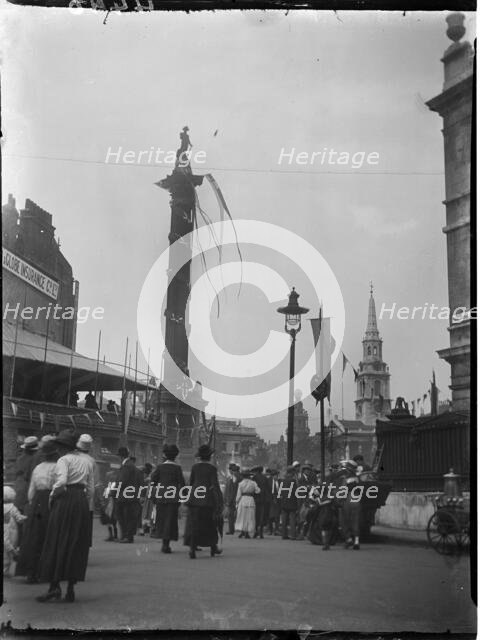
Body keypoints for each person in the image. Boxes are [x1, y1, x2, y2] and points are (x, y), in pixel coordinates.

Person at [37, 430, 94, 603]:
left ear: (63, 447)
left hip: (65, 499)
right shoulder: (87, 462)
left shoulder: (64, 460)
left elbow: (61, 483)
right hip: (81, 502)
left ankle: (54, 587)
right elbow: (90, 488)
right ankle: (70, 588)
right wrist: (85, 503)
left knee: (57, 540)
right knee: (75, 542)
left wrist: (53, 496)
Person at [16, 440, 58, 583]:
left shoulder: (38, 468)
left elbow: (31, 492)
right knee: (50, 536)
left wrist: (33, 504)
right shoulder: (58, 467)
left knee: (34, 537)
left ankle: (31, 571)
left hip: (36, 503)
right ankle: (47, 571)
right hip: (51, 502)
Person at [184, 444, 223, 559]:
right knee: (209, 524)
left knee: (193, 524)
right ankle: (213, 546)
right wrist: (219, 500)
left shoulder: (194, 467)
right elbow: (215, 485)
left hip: (194, 500)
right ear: (209, 457)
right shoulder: (212, 468)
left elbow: (191, 483)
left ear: (200, 457)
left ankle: (192, 548)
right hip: (207, 501)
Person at [150, 444, 185, 553]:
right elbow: (182, 484)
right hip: (173, 499)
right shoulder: (177, 468)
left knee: (162, 520)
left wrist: (153, 495)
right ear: (175, 456)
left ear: (165, 455)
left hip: (161, 498)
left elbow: (153, 482)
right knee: (170, 521)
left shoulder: (160, 467)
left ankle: (164, 543)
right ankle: (167, 544)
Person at [76, 434, 98, 547]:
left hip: (72, 498)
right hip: (86, 500)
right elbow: (92, 484)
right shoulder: (91, 461)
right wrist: (89, 498)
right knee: (85, 527)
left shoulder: (71, 458)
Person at [115, 447, 142, 543]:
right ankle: (125, 536)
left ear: (121, 456)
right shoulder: (131, 465)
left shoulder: (126, 466)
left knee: (124, 516)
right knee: (126, 516)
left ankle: (127, 536)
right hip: (131, 495)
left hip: (125, 496)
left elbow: (122, 481)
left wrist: (114, 490)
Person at [4, 487, 27, 577]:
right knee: (8, 552)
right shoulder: (13, 508)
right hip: (11, 531)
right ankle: (5, 569)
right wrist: (26, 517)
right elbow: (19, 518)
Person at [339, 460, 362, 550]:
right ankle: (356, 541)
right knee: (356, 521)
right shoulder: (358, 478)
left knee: (344, 520)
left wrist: (340, 499)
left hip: (348, 499)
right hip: (357, 499)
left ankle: (348, 539)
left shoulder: (346, 478)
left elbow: (343, 490)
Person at [14, 436, 39, 514]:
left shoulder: (20, 458)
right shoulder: (34, 459)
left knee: (18, 509)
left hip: (19, 484)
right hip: (28, 485)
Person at [235, 470, 260, 539]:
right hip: (250, 500)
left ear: (243, 476)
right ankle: (247, 532)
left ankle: (243, 531)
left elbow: (238, 495)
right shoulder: (253, 483)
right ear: (249, 476)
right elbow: (258, 491)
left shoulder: (241, 483)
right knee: (249, 517)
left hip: (243, 500)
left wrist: (236, 502)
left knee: (242, 516)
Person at [279, 465, 298, 540]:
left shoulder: (283, 480)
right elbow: (295, 492)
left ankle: (284, 535)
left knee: (284, 520)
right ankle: (293, 535)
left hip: (284, 501)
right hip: (292, 501)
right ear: (292, 472)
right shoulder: (293, 481)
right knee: (292, 519)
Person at [251, 466, 269, 539]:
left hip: (256, 499)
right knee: (262, 516)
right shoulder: (265, 478)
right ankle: (261, 532)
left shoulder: (254, 478)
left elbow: (252, 489)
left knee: (255, 516)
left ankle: (256, 531)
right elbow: (268, 489)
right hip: (263, 499)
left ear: (257, 471)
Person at [223, 463, 240, 535]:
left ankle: (233, 529)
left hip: (234, 499)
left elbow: (233, 490)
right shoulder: (230, 478)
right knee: (231, 515)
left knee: (233, 515)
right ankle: (232, 529)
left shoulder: (236, 478)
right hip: (232, 499)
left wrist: (229, 500)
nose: (230, 471)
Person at [265, 469, 281, 535]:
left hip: (278, 500)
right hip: (270, 501)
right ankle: (270, 529)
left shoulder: (280, 481)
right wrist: (271, 499)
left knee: (277, 516)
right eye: (275, 475)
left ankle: (276, 530)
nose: (276, 477)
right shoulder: (269, 481)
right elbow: (267, 491)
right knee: (270, 516)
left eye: (277, 475)